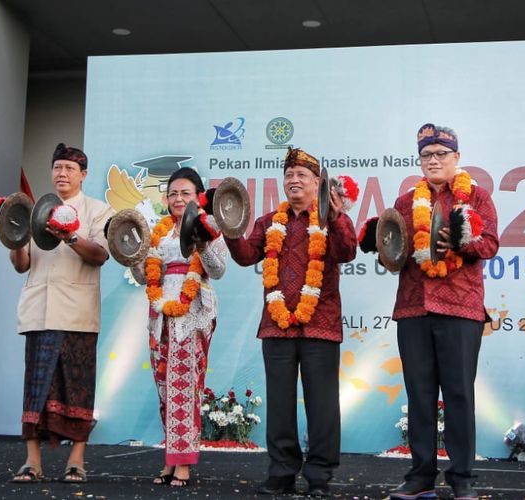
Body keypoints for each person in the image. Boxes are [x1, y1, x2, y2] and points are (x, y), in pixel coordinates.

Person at [360, 124, 498, 500]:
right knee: (419, 395)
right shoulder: (406, 202)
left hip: (461, 308)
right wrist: (375, 237)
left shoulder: (478, 198)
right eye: (426, 155)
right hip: (414, 308)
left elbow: (490, 245)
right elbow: (394, 247)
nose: (433, 160)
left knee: (458, 394)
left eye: (441, 154)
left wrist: (462, 240)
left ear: (457, 158)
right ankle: (420, 474)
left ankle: (462, 478)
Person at [223, 148, 357, 497]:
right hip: (276, 324)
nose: (294, 181)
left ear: (318, 184)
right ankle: (281, 471)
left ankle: (320, 476)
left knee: (323, 404)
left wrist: (337, 214)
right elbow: (246, 256)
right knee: (280, 402)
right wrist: (230, 229)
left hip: (320, 323)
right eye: (289, 175)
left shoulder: (330, 218)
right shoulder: (269, 222)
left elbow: (347, 252)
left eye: (302, 176)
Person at [0, 143, 114, 483]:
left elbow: (99, 255)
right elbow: (22, 265)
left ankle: (76, 460)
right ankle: (32, 462)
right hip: (39, 312)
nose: (62, 173)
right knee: (36, 389)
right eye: (57, 168)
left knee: (78, 389)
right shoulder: (37, 211)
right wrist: (17, 234)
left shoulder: (98, 210)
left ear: (83, 175)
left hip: (78, 314)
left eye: (69, 168)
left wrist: (69, 236)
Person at [143, 167, 228, 488]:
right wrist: (136, 256)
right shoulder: (160, 232)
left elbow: (219, 270)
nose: (178, 198)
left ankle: (184, 464)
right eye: (173, 193)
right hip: (159, 314)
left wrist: (202, 246)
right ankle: (170, 458)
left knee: (184, 385)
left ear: (198, 198)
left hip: (192, 312)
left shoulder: (209, 227)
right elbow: (143, 276)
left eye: (186, 193)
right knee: (165, 387)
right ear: (166, 199)